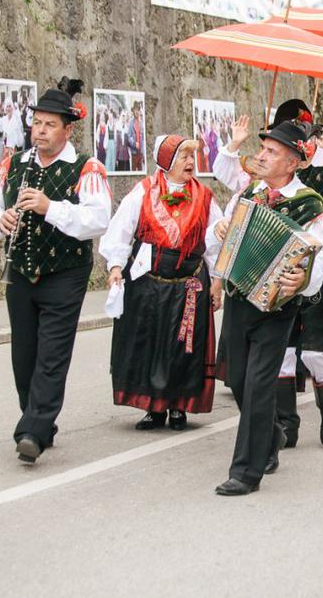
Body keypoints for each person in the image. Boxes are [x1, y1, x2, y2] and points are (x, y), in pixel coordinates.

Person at [213, 101, 323, 448]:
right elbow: (230, 177)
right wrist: (234, 144)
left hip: (321, 269)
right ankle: (285, 425)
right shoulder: (266, 172)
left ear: (312, 136)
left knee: (315, 353)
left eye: (299, 132)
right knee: (283, 356)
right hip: (269, 275)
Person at [0, 77, 111, 463]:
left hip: (65, 272)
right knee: (24, 355)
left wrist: (51, 208)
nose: (41, 131)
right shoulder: (13, 164)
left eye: (50, 125)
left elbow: (99, 219)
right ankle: (38, 420)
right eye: (37, 123)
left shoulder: (87, 167)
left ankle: (32, 431)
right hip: (19, 272)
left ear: (67, 130)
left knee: (52, 353)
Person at [213, 120, 323, 496]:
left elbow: (318, 254)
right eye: (262, 149)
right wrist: (221, 228)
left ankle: (246, 472)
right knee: (237, 379)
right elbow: (226, 226)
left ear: (293, 162)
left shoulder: (309, 203)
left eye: (271, 152)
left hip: (276, 305)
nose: (261, 156)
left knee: (259, 383)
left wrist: (302, 280)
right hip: (239, 297)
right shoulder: (250, 191)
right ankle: (272, 433)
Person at [99, 135, 222, 431]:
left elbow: (215, 242)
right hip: (148, 284)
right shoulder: (143, 192)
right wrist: (115, 266)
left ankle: (179, 407)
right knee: (150, 344)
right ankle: (153, 408)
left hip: (189, 285)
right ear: (167, 161)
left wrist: (217, 282)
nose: (191, 162)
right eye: (184, 157)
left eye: (192, 157)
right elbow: (121, 230)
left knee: (184, 347)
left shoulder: (204, 197)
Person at [127, 102, 145, 171]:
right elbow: (129, 136)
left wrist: (143, 152)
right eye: (135, 110)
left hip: (140, 152)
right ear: (133, 112)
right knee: (134, 169)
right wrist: (134, 144)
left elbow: (143, 138)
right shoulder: (131, 123)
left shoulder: (142, 123)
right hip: (134, 152)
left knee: (141, 169)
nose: (136, 112)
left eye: (138, 110)